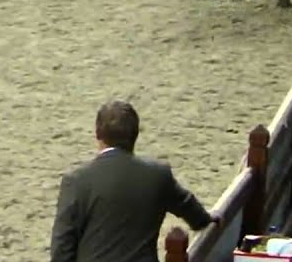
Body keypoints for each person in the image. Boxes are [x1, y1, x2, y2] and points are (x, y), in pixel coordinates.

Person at [49, 101, 219, 262]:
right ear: (135, 134)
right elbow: (191, 210)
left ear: (98, 134)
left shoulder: (76, 181)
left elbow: (62, 248)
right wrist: (208, 219)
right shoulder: (158, 175)